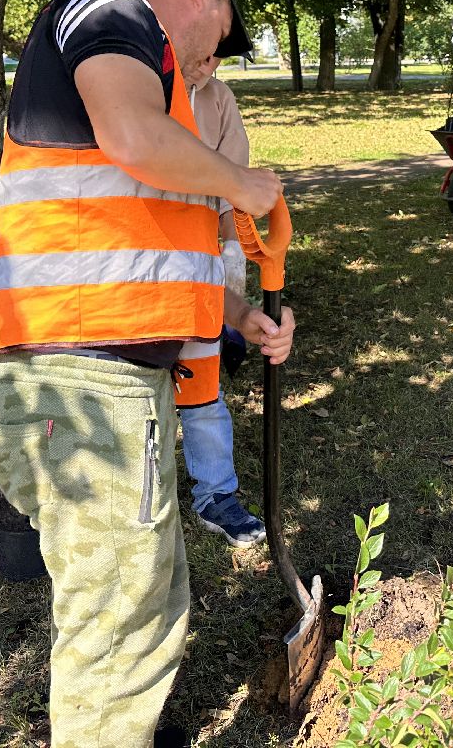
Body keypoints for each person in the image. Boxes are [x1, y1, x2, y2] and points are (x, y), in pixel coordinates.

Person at [0, 0, 296, 747]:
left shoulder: (170, 102)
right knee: (120, 616)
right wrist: (242, 182)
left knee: (142, 594)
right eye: (218, 41)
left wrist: (238, 317)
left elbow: (152, 245)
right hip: (77, 382)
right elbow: (130, 136)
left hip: (109, 382)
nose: (209, 64)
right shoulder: (113, 10)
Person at [176, 51, 266, 547]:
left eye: (218, 55)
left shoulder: (219, 100)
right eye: (202, 50)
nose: (208, 63)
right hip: (138, 274)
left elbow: (234, 183)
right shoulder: (142, 89)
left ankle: (216, 496)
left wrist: (232, 248)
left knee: (203, 383)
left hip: (201, 264)